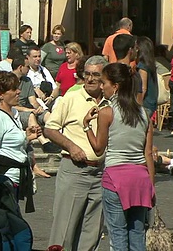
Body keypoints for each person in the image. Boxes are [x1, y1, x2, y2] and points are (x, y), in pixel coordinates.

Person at [83, 63, 155, 251]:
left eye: (104, 82)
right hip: (140, 179)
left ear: (115, 86)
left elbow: (99, 149)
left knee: (118, 234)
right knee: (137, 233)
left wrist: (86, 126)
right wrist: (151, 186)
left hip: (115, 178)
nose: (101, 87)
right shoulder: (144, 113)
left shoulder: (107, 112)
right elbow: (148, 153)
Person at [43, 56, 109, 251]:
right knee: (65, 231)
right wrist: (71, 146)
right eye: (86, 74)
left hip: (100, 174)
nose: (89, 79)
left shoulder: (111, 102)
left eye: (95, 75)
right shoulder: (70, 98)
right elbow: (50, 128)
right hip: (74, 171)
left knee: (92, 232)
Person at [0, 71, 38, 213]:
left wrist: (26, 137)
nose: (19, 91)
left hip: (16, 180)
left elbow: (11, 142)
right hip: (6, 180)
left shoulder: (14, 113)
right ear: (0, 94)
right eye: (14, 89)